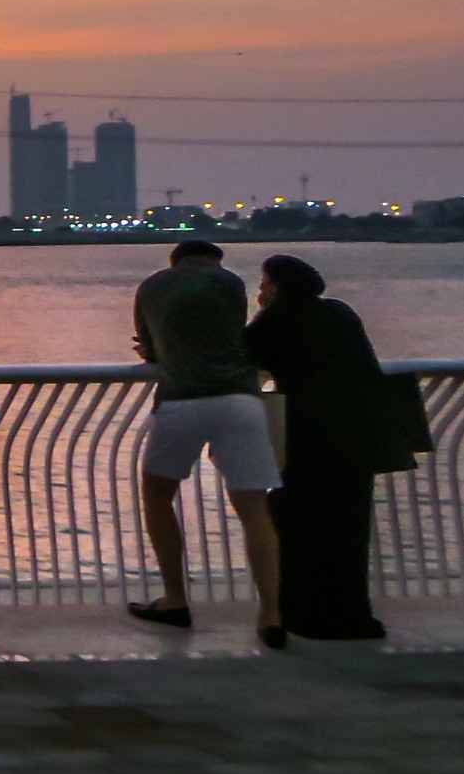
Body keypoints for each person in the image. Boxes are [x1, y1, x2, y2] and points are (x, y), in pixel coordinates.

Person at [129, 240, 284, 648]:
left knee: (158, 497)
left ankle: (175, 600)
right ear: (214, 259)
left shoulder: (151, 287)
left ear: (175, 260)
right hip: (239, 401)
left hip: (181, 402)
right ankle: (271, 613)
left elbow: (149, 349)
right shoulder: (230, 284)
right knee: (255, 508)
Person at [244, 254, 393, 640]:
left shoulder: (274, 322)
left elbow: (243, 360)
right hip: (357, 431)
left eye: (263, 285)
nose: (260, 292)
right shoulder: (340, 314)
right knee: (348, 526)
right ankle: (352, 613)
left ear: (276, 287)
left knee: (298, 522)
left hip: (307, 433)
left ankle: (303, 611)